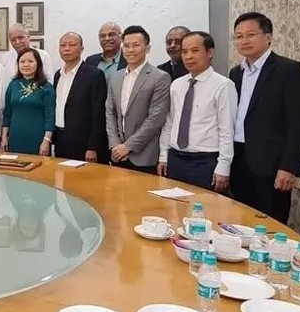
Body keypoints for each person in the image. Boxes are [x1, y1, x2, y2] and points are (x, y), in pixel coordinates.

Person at [229, 12, 300, 224]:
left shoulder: (289, 70)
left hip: (271, 165)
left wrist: (288, 167)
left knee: (270, 225)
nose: (244, 41)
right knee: (239, 222)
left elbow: (298, 124)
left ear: (268, 37)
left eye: (250, 35)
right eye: (238, 36)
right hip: (238, 157)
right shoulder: (235, 74)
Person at [157, 31, 237, 192]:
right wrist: (164, 156)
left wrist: (223, 166)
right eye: (184, 52)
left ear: (210, 53)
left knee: (203, 212)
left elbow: (227, 129)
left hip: (205, 161)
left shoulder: (223, 85)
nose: (188, 56)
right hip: (176, 158)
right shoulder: (177, 85)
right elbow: (169, 123)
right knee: (174, 210)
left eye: (195, 51)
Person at [105, 25, 170, 175]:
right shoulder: (115, 77)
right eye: (126, 46)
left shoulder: (160, 77)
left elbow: (155, 119)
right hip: (117, 155)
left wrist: (127, 147)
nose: (131, 50)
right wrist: (115, 144)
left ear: (147, 48)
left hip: (144, 156)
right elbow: (110, 112)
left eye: (136, 45)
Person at [52, 32, 108, 164]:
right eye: (63, 45)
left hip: (84, 143)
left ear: (81, 49)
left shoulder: (94, 75)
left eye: (72, 45)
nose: (67, 48)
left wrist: (93, 147)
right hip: (61, 140)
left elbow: (99, 113)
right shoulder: (57, 75)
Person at [1, 48, 55, 155]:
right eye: (22, 61)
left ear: (38, 64)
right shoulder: (13, 85)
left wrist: (46, 141)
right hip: (15, 137)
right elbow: (7, 114)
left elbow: (50, 117)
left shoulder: (46, 87)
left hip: (38, 139)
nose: (26, 64)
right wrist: (4, 137)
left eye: (30, 61)